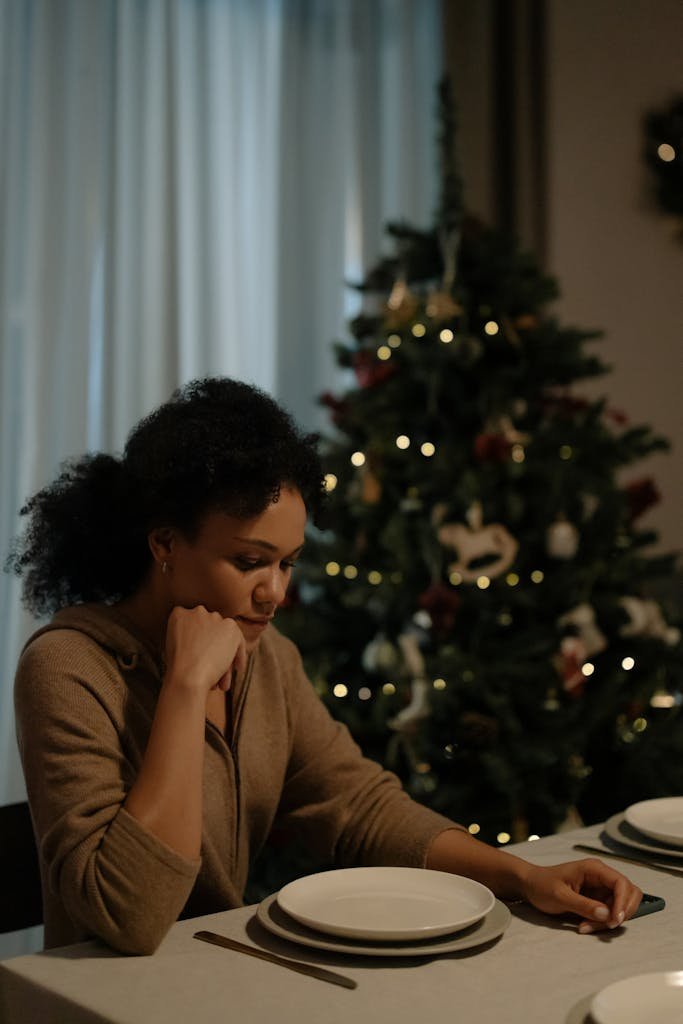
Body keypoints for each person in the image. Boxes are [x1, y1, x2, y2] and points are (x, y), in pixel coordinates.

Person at [8, 377, 641, 955]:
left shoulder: (268, 658)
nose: (275, 593)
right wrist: (184, 685)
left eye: (287, 562)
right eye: (250, 561)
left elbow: (357, 804)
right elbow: (131, 916)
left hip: (211, 981)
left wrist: (525, 876)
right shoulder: (68, 668)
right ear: (166, 543)